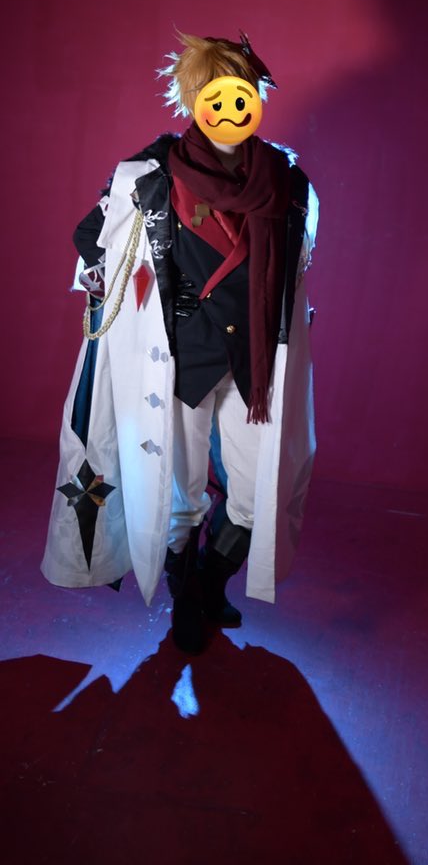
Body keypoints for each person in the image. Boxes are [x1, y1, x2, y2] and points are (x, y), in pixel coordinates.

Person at [41, 32, 318, 654]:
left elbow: (298, 269)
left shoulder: (291, 183)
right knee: (177, 497)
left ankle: (210, 583)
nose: (228, 107)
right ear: (193, 100)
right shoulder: (146, 179)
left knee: (259, 494)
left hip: (256, 365)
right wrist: (117, 288)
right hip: (176, 360)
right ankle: (188, 597)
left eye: (240, 92)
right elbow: (93, 241)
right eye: (211, 93)